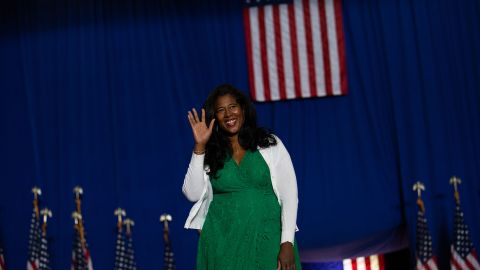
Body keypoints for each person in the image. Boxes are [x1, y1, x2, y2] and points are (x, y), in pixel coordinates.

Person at [183, 84, 301, 270]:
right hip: (222, 246)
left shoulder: (269, 144)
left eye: (233, 107)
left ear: (243, 110)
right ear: (214, 117)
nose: (228, 114)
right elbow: (192, 194)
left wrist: (287, 242)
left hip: (268, 240)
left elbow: (289, 194)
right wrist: (199, 146)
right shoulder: (210, 154)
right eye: (221, 110)